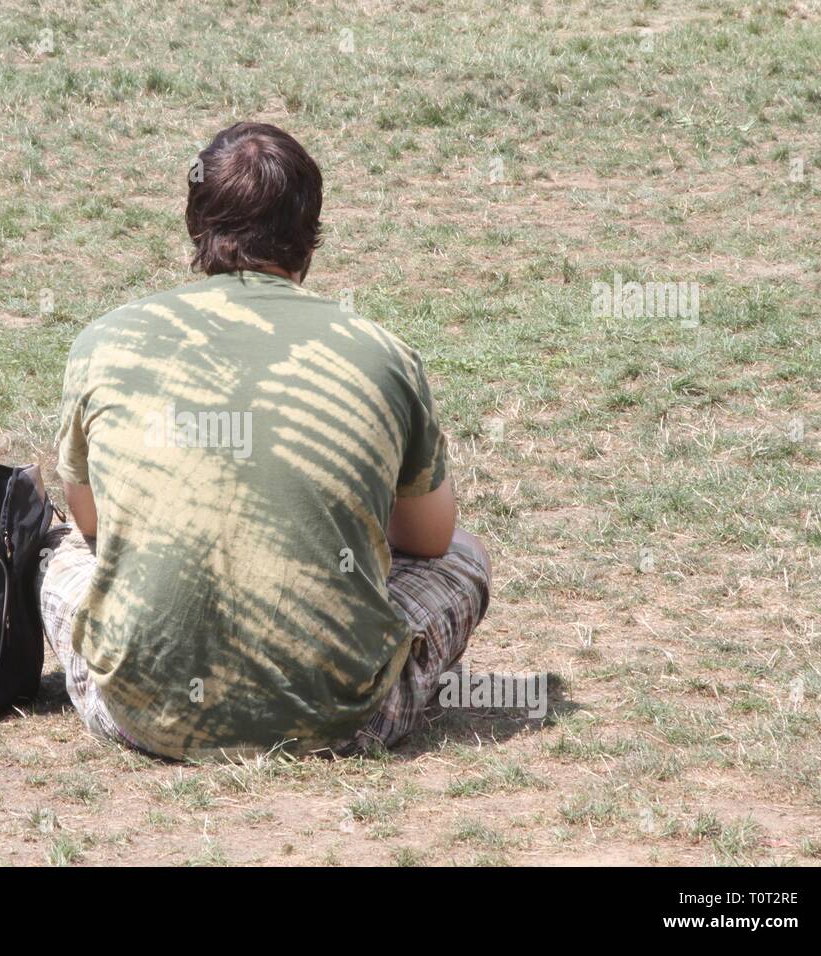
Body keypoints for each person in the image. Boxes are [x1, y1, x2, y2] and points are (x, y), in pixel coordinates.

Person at [38, 122, 491, 760]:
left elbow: (92, 525)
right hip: (350, 720)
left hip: (139, 714)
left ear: (197, 224)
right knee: (467, 558)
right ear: (311, 231)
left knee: (55, 548)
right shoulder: (382, 352)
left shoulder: (105, 341)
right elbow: (432, 541)